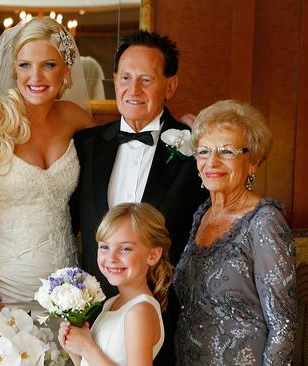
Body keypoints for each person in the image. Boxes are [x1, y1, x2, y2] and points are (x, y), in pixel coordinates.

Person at [71, 30, 207, 365]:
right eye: (126, 78)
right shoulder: (84, 145)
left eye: (146, 79)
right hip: (93, 311)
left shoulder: (197, 150)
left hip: (162, 314)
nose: (133, 90)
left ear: (170, 86)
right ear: (114, 79)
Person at [0, 16, 95, 320]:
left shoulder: (75, 118)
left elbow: (110, 162)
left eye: (48, 65)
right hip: (6, 289)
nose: (36, 76)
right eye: (25, 65)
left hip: (67, 290)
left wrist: (182, 130)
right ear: (13, 69)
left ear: (66, 70)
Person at [174, 100, 296, 365]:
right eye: (204, 151)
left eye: (226, 151)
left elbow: (283, 326)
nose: (212, 162)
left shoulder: (263, 221)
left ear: (253, 161)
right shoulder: (202, 214)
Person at [59, 202, 172, 366]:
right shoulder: (112, 303)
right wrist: (75, 351)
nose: (112, 258)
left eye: (125, 249)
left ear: (153, 255)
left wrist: (87, 348)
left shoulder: (139, 312)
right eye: (104, 246)